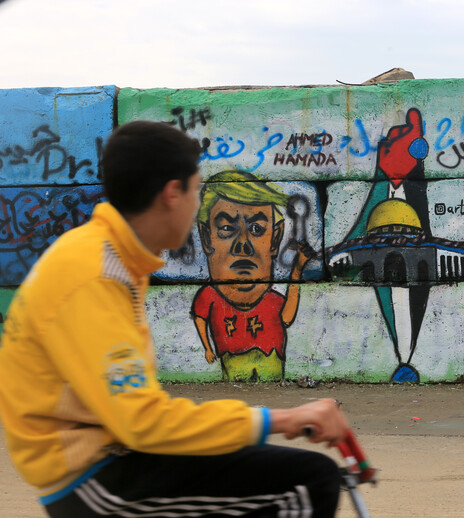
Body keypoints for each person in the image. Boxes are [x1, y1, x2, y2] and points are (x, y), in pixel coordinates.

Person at [0, 121, 348, 517]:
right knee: (308, 482)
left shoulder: (106, 257)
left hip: (111, 458)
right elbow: (142, 421)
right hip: (94, 481)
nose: (197, 205)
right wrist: (281, 418)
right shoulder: (95, 275)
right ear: (171, 193)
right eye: (197, 191)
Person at [192, 171, 313, 382]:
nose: (243, 244)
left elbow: (286, 317)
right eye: (227, 228)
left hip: (271, 361)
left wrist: (297, 270)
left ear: (275, 239)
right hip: (233, 361)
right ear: (205, 237)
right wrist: (207, 348)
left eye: (257, 228)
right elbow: (200, 318)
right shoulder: (210, 297)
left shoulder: (272, 301)